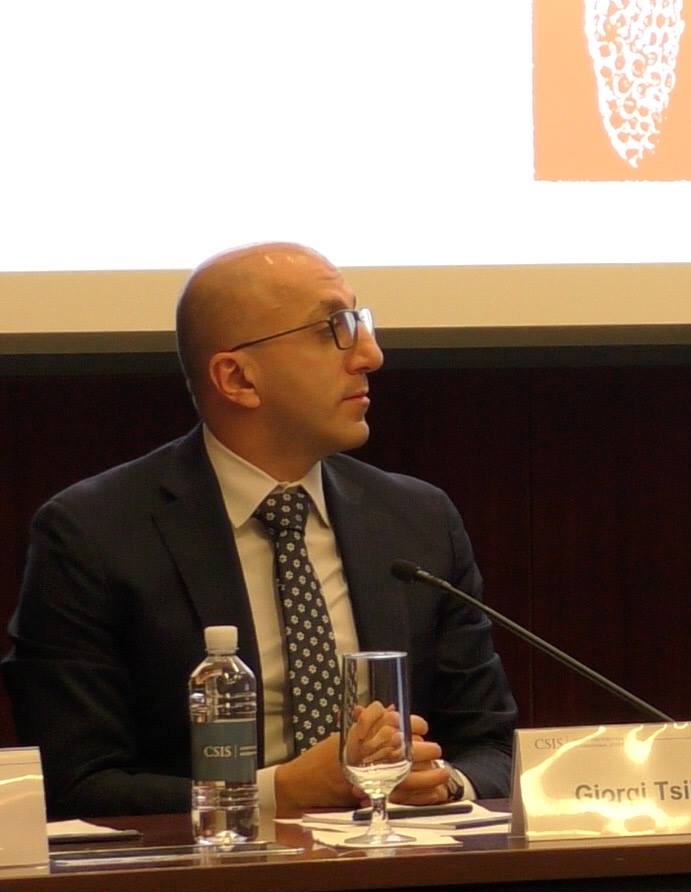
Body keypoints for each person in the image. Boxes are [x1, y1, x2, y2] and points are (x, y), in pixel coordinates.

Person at [4, 242, 516, 820]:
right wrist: (278, 792)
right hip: (211, 870)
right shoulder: (93, 533)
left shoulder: (418, 519)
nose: (370, 355)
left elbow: (494, 746)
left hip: (402, 860)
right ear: (238, 378)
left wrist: (442, 783)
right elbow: (74, 784)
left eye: (360, 323)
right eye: (332, 330)